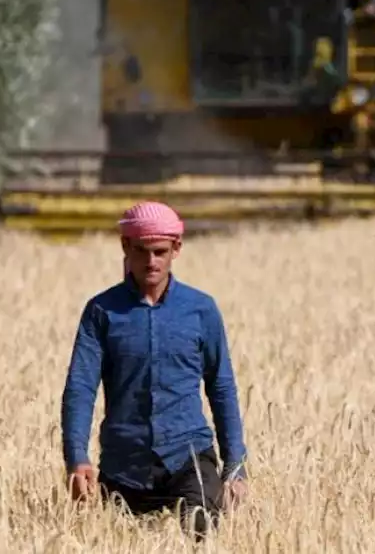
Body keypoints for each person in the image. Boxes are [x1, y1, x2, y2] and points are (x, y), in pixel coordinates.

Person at [60, 201, 249, 540]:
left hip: (188, 456)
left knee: (202, 530)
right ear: (125, 247)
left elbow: (221, 387)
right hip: (124, 465)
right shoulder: (100, 312)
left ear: (176, 249)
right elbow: (80, 387)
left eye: (160, 251)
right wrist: (77, 458)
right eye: (142, 251)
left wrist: (235, 465)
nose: (151, 262)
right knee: (113, 541)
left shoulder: (201, 310)